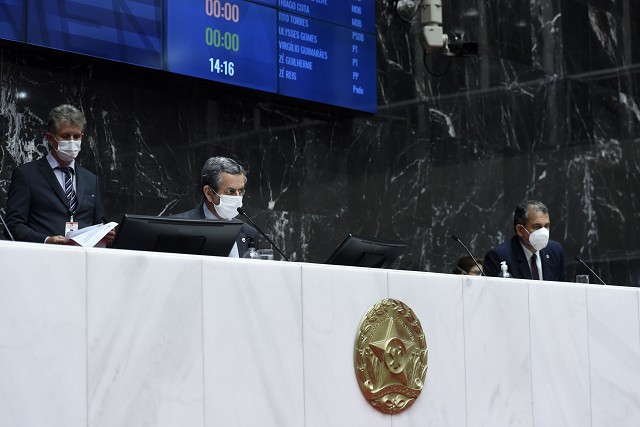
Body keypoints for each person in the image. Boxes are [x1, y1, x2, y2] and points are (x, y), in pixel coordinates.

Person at [4, 104, 114, 245]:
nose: (72, 141)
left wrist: (106, 233)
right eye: (65, 136)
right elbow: (13, 225)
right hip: (43, 255)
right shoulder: (27, 175)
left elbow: (99, 223)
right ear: (50, 138)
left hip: (82, 256)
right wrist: (47, 240)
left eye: (76, 136)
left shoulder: (91, 179)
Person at [172, 156, 258, 257]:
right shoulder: (177, 228)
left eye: (241, 190)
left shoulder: (249, 233)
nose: (238, 197)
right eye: (230, 191)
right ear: (209, 193)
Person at [483, 200, 566, 281]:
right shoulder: (498, 257)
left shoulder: (555, 251)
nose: (544, 232)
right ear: (520, 230)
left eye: (547, 226)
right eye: (537, 227)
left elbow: (563, 287)